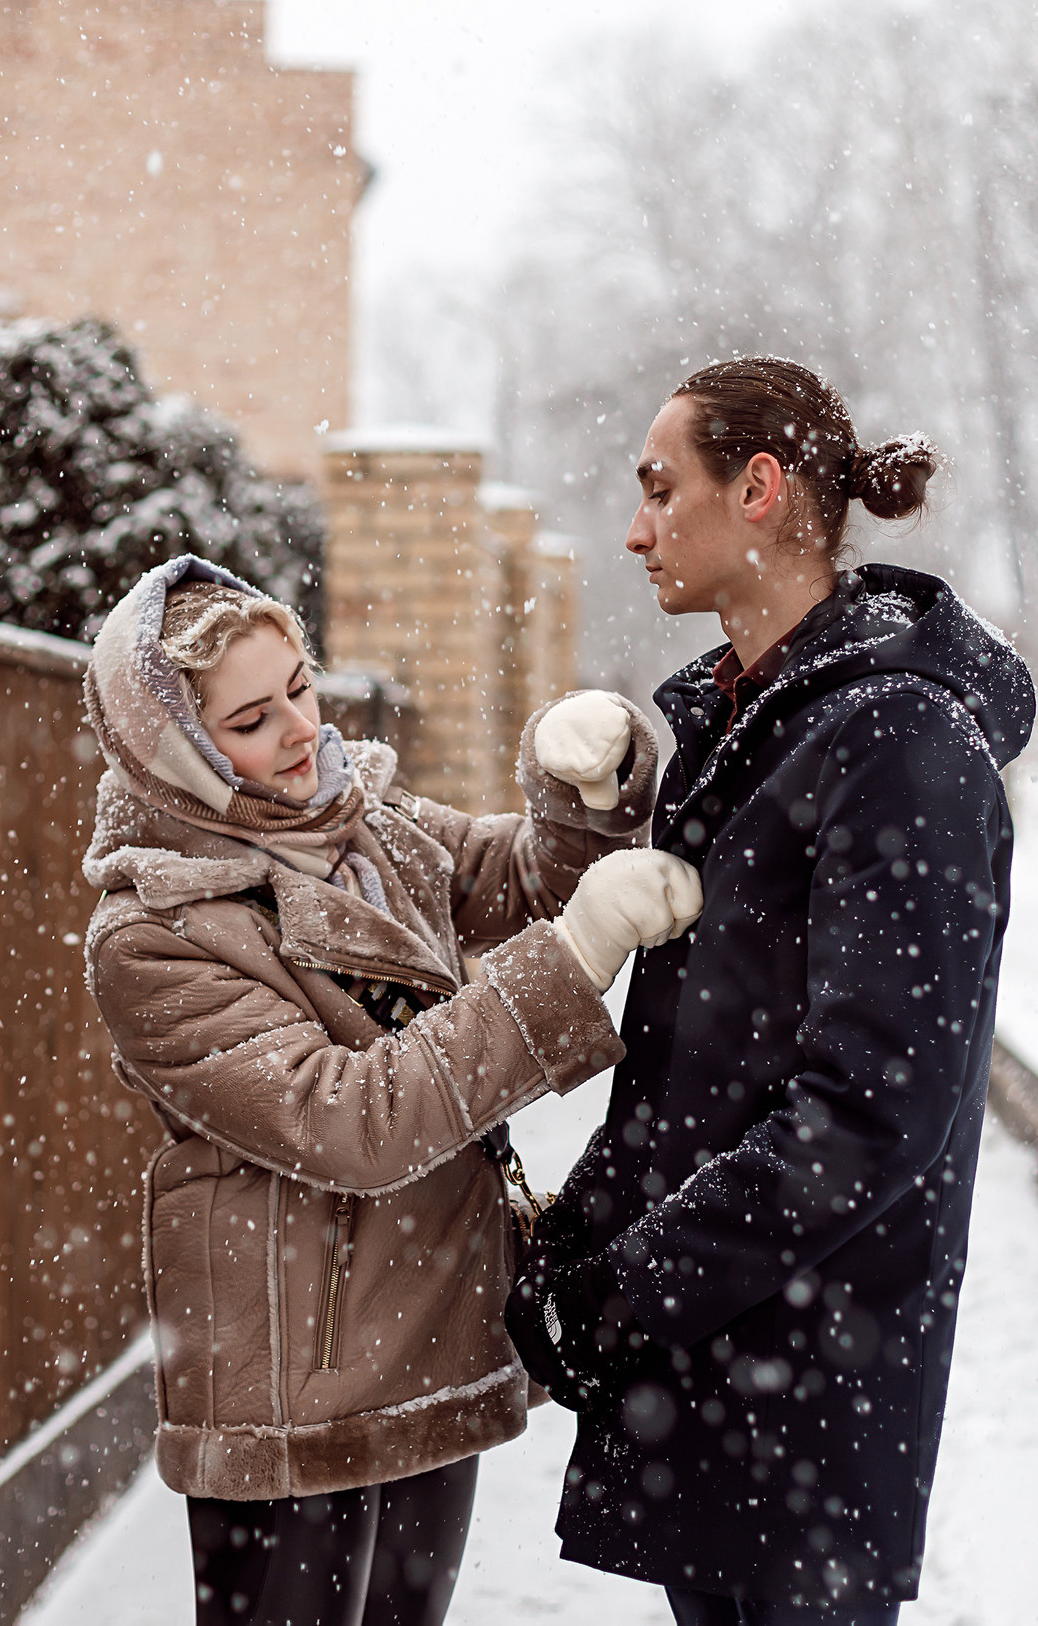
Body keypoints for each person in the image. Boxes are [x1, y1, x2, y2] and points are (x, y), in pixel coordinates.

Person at [506, 358, 1036, 1626]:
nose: (632, 530)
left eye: (656, 489)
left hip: (813, 1383)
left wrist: (630, 1286)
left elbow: (869, 1106)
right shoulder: (743, 729)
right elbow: (688, 1068)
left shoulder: (897, 743)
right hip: (716, 1368)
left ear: (757, 489)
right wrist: (571, 1246)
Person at [79, 555, 703, 1626]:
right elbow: (352, 1118)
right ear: (174, 749)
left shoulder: (356, 820)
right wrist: (580, 947)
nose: (295, 730)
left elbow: (511, 878)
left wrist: (584, 792)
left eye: (297, 688)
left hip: (421, 1337)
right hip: (291, 1393)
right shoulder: (154, 936)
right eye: (248, 718)